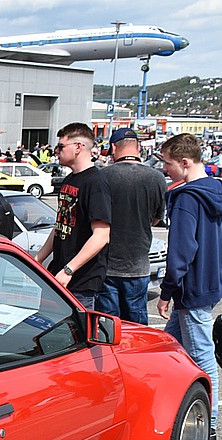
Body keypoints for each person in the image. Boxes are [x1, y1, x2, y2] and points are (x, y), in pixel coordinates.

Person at [157, 133, 222, 440]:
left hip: (192, 288)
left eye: (167, 163)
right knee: (168, 348)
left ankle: (210, 425)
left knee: (202, 357)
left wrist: (166, 291)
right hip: (213, 284)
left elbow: (181, 251)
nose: (164, 168)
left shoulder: (186, 199)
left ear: (184, 162)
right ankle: (165, 408)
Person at [35, 123, 111, 310]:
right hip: (58, 276)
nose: (56, 151)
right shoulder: (70, 179)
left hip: (81, 282)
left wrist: (69, 270)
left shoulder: (95, 183)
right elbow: (60, 225)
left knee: (75, 328)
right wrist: (38, 259)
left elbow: (101, 236)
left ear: (78, 147)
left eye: (61, 146)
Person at [97, 128, 166, 325]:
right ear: (138, 147)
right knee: (136, 325)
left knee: (109, 326)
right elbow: (156, 219)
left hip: (107, 264)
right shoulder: (156, 178)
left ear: (113, 148)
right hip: (138, 265)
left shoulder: (102, 176)